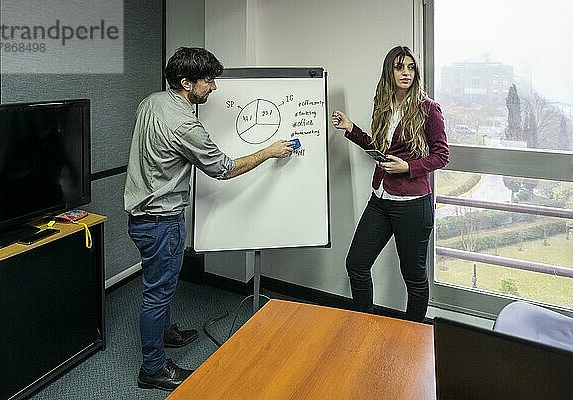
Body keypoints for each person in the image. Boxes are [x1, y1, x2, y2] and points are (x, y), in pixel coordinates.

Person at [124, 47, 294, 391]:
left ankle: (166, 333)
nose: (213, 87)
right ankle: (153, 369)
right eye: (208, 80)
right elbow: (224, 169)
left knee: (162, 284)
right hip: (160, 221)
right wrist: (270, 151)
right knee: (157, 293)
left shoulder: (152, 101)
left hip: (144, 215)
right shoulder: (185, 123)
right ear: (187, 83)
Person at [331, 45, 449, 322]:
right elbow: (379, 149)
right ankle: (365, 326)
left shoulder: (428, 108)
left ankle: (412, 336)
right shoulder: (383, 105)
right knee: (357, 264)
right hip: (381, 199)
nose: (406, 73)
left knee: (413, 277)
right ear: (389, 71)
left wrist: (409, 167)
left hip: (413, 205)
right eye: (399, 67)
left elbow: (442, 155)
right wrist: (351, 129)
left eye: (410, 67)